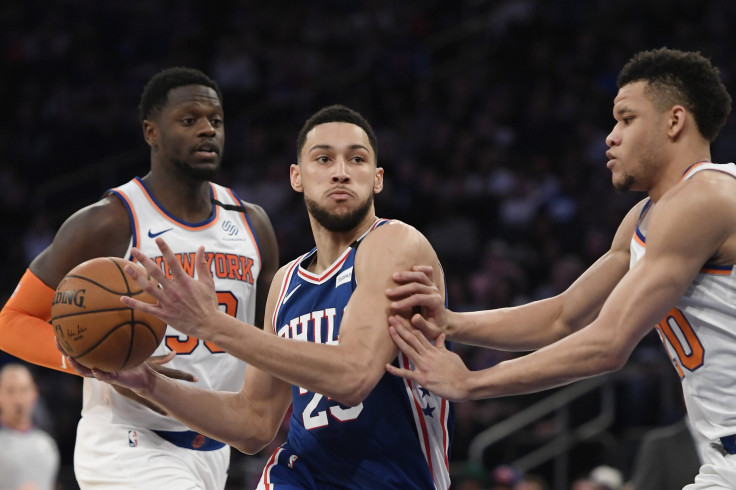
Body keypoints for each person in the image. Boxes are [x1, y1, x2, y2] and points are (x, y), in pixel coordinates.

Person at [384, 47, 736, 488]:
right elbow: (563, 316)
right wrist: (453, 323)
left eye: (626, 119)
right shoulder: (647, 217)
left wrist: (473, 382)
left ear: (674, 121)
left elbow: (607, 344)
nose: (611, 136)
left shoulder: (704, 198)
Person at [69, 104, 454, 489]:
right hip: (298, 477)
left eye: (357, 159)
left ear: (377, 179)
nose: (341, 171)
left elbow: (353, 376)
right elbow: (253, 423)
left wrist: (214, 325)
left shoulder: (396, 242)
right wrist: (148, 383)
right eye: (323, 159)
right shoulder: (286, 281)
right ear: (297, 177)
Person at [0, 67, 279, 489]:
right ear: (151, 132)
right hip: (128, 444)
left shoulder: (253, 225)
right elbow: (11, 321)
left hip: (214, 449)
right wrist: (97, 364)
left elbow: (265, 343)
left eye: (216, 120)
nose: (207, 130)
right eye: (189, 120)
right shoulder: (108, 222)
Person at [0, 363, 60, 490]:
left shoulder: (47, 444)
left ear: (34, 393)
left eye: (24, 390)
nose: (18, 399)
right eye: (10, 391)